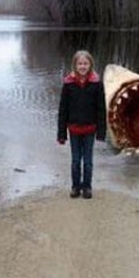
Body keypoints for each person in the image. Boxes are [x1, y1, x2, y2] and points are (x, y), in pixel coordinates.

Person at [57, 50, 106, 199]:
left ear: (90, 64)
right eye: (80, 64)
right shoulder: (68, 84)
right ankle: (75, 187)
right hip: (74, 129)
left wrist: (101, 132)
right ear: (75, 65)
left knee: (88, 161)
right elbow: (63, 110)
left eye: (85, 63)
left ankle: (87, 187)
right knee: (76, 161)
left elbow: (101, 109)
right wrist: (61, 134)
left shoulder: (96, 84)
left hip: (90, 128)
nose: (83, 66)